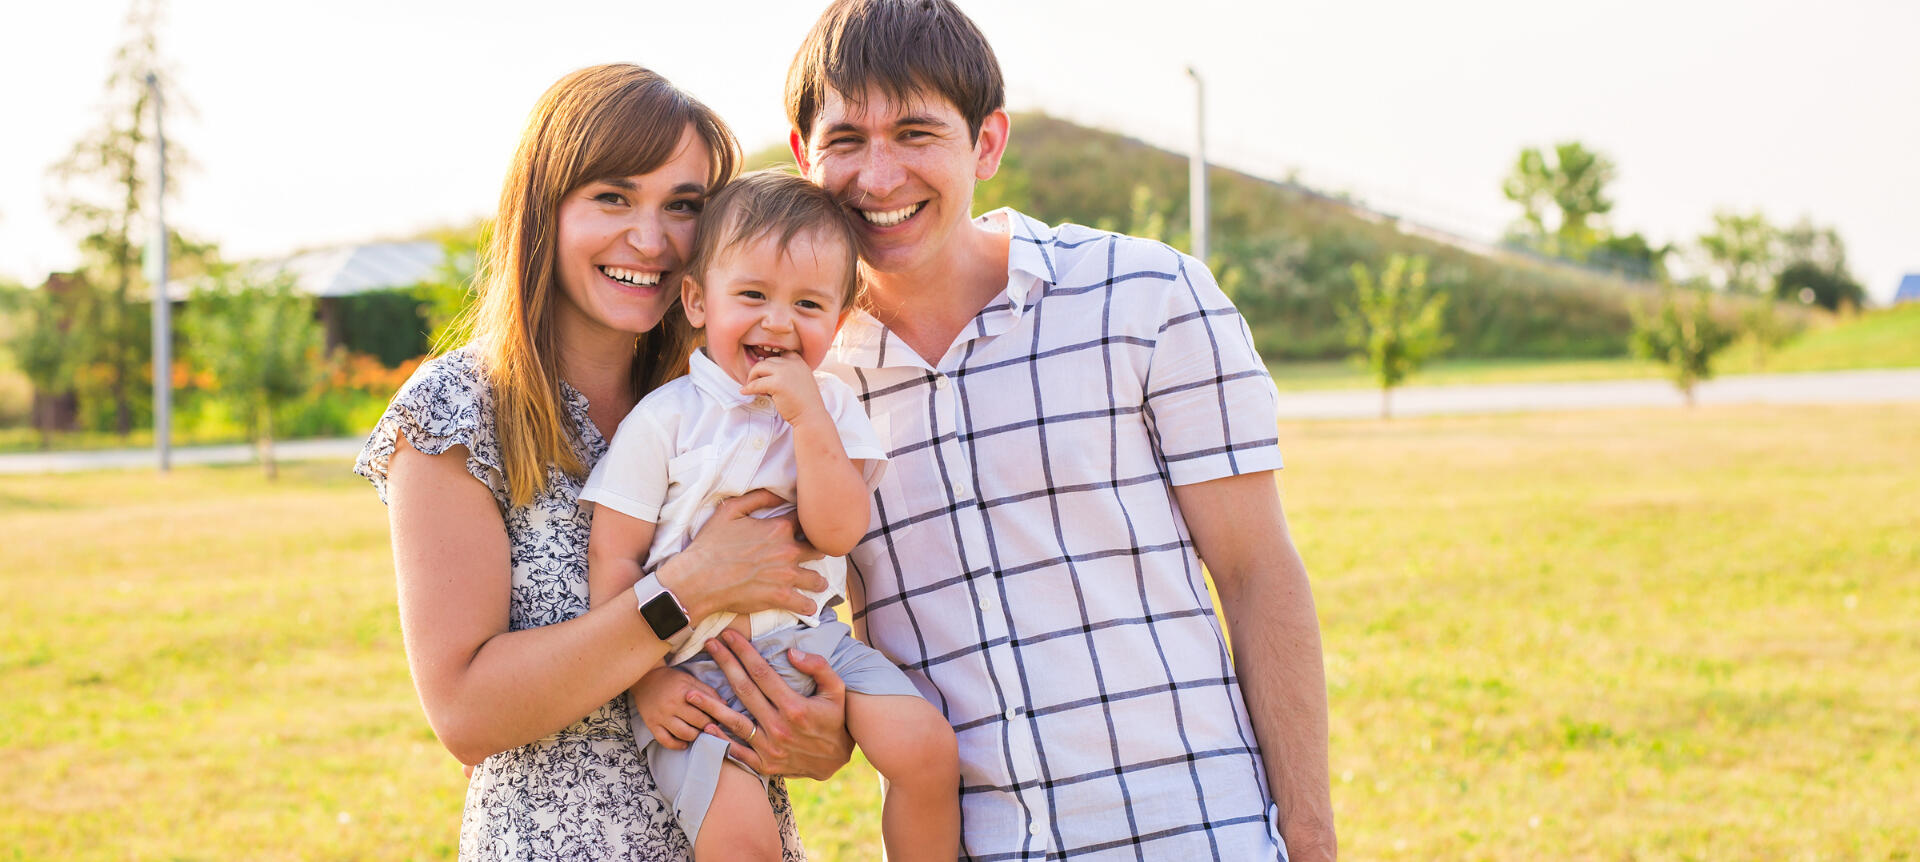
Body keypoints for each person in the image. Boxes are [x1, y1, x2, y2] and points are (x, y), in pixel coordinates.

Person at [641, 2, 1339, 859]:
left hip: (1194, 830)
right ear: (803, 155)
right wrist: (826, 731)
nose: (880, 176)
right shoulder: (786, 372)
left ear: (989, 143)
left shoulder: (1147, 297)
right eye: (848, 140)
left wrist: (1309, 838)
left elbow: (1257, 572)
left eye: (916, 133)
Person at [353, 64, 851, 861]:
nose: (650, 241)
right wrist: (684, 589)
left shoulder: (736, 398)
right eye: (613, 198)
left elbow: (797, 619)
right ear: (544, 209)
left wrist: (825, 729)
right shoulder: (458, 411)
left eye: (682, 206)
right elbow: (467, 716)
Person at [581, 170, 960, 860]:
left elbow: (838, 532)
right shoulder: (666, 419)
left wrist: (809, 418)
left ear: (838, 320)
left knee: (927, 750)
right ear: (697, 300)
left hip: (816, 648)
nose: (778, 321)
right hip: (694, 674)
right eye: (752, 295)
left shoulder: (831, 408)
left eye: (809, 304)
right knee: (741, 844)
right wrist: (644, 679)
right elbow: (613, 554)